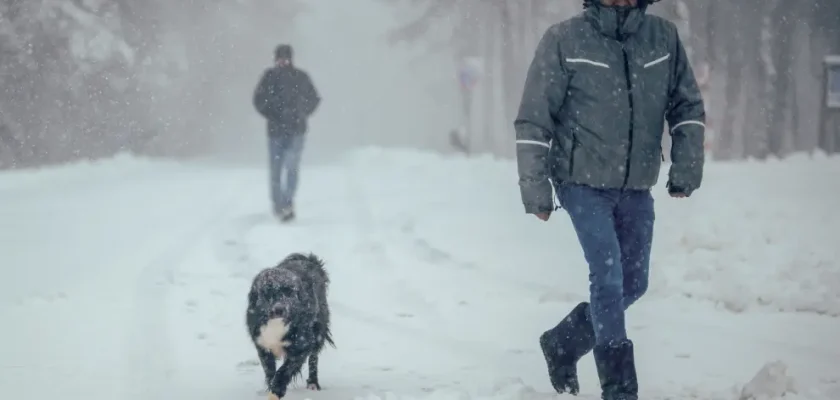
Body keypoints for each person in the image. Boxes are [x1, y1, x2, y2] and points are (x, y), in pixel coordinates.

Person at [513, 0, 705, 399]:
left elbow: (687, 107)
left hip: (636, 186)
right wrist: (536, 190)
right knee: (609, 275)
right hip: (580, 182)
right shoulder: (564, 39)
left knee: (634, 283)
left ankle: (564, 343)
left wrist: (685, 168)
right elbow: (534, 118)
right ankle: (620, 389)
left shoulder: (662, 38)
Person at [253, 44, 321, 222]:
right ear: (275, 59)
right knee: (276, 171)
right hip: (275, 132)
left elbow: (314, 98)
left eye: (286, 58)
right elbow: (258, 100)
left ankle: (288, 203)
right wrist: (271, 113)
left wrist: (302, 112)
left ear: (291, 59)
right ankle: (278, 205)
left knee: (291, 166)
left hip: (296, 131)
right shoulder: (268, 78)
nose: (283, 61)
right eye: (280, 58)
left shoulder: (301, 77)